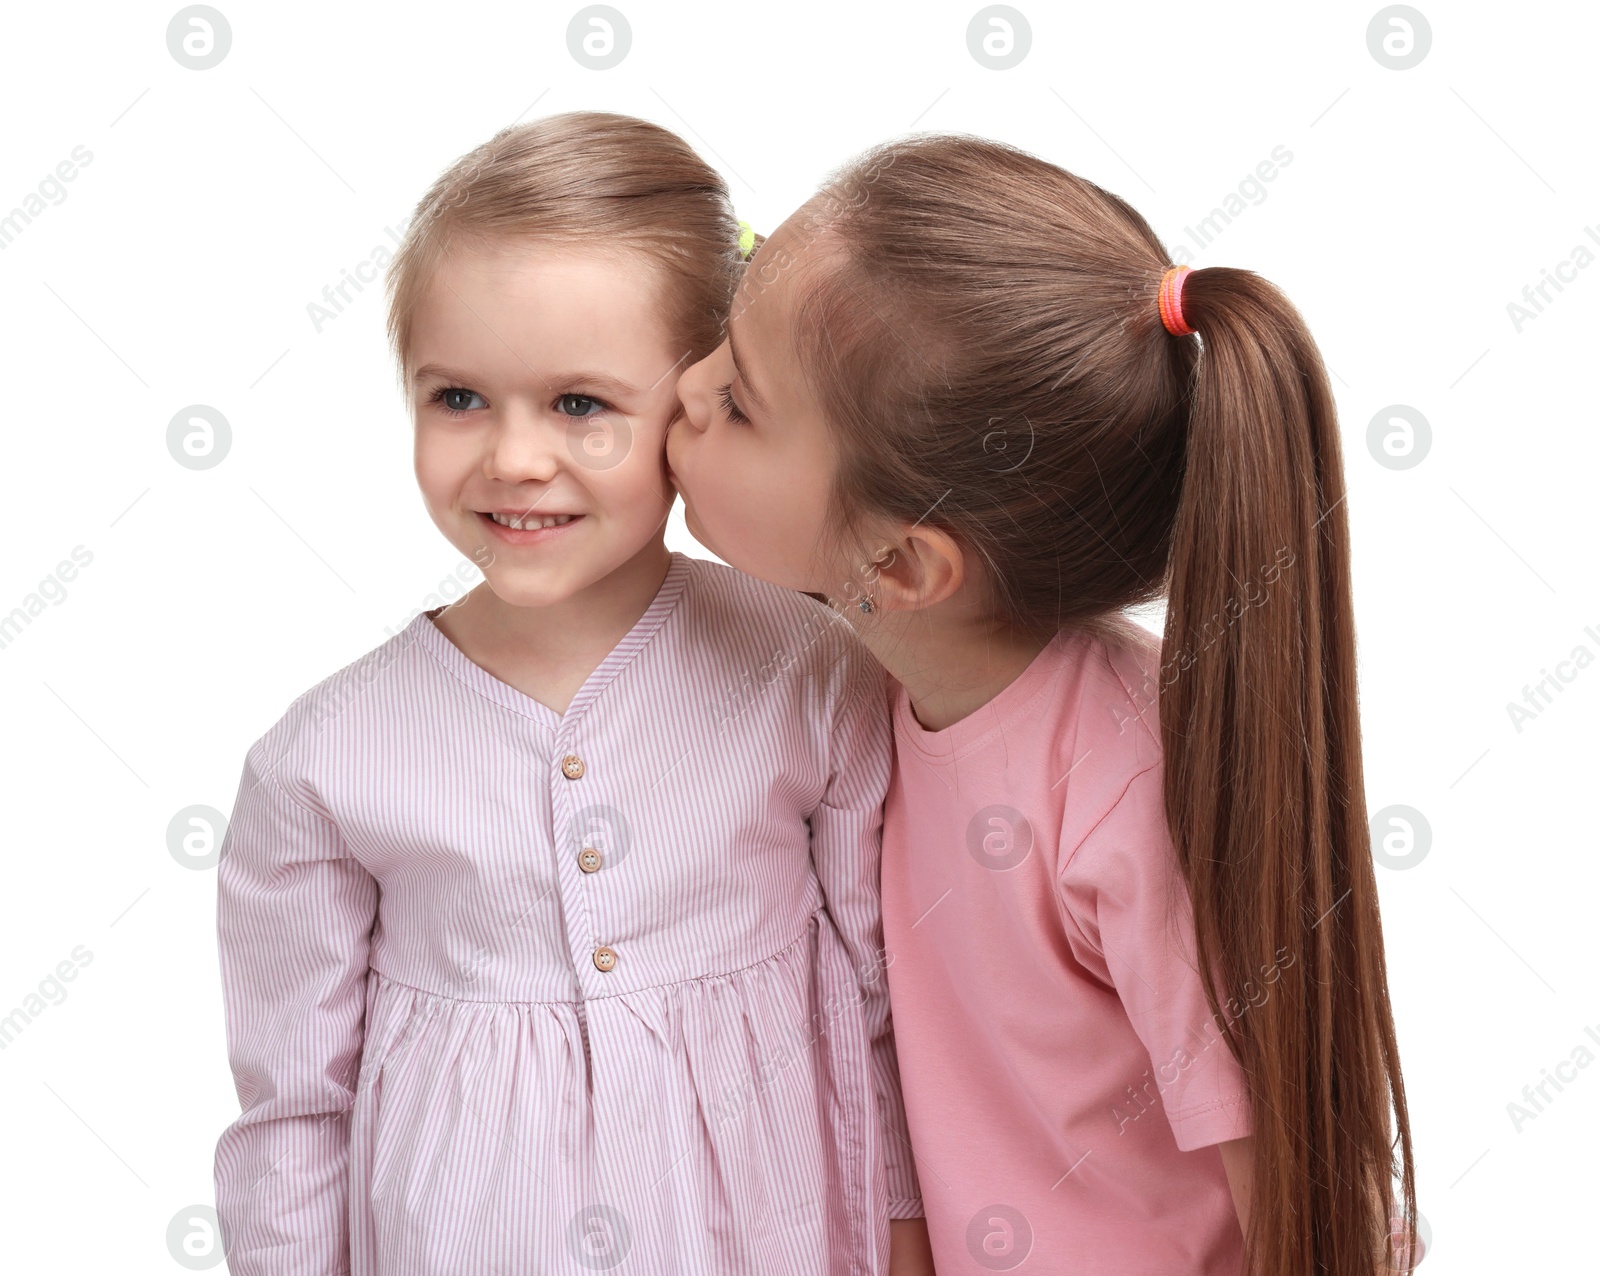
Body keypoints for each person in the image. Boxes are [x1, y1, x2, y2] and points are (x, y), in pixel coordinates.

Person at [668, 132, 1422, 1275]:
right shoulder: (858, 698)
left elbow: (1305, 1193)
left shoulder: (1122, 790)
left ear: (907, 567)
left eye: (738, 401)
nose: (685, 387)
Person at [212, 112, 927, 1275]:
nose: (513, 457)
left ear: (700, 402)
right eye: (457, 398)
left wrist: (906, 1236)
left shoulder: (812, 669)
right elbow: (294, 1110)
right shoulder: (322, 759)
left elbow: (882, 1001)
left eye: (580, 404)